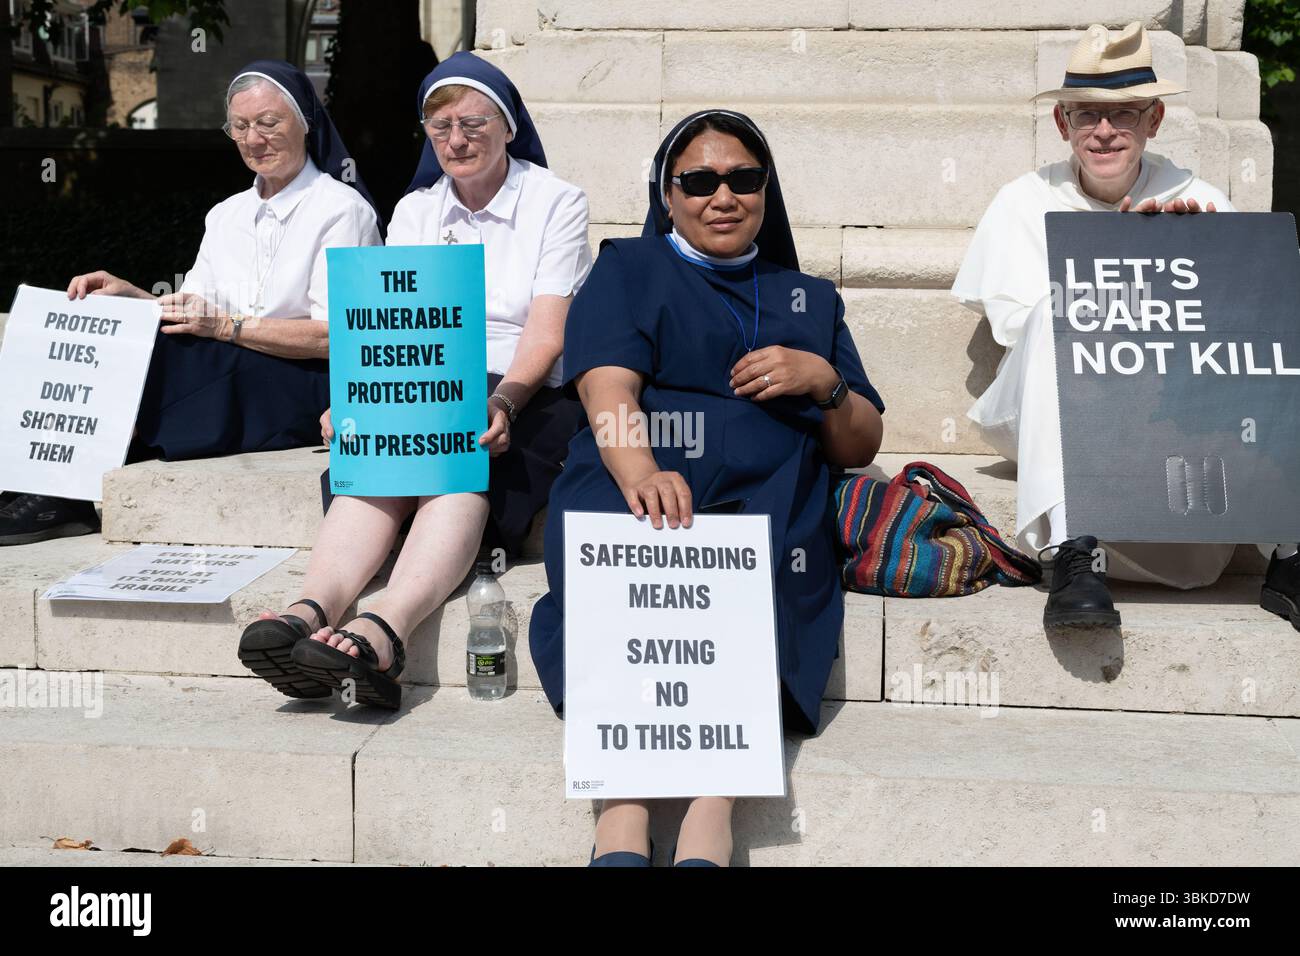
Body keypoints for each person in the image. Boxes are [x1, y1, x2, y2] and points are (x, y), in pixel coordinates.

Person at [529, 110, 885, 866]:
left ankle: (712, 807)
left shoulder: (807, 298)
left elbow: (860, 442)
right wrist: (641, 472)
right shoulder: (627, 266)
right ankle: (620, 809)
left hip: (765, 485)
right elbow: (606, 389)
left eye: (743, 179)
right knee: (614, 529)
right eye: (699, 181)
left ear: (765, 191)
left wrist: (822, 383)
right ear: (668, 194)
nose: (722, 196)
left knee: (771, 547)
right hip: (643, 471)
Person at [238, 52, 592, 709]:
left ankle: (385, 629)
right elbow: (386, 325)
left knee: (460, 460)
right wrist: (354, 399)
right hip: (423, 377)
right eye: (440, 128)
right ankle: (311, 607)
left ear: (509, 126)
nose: (456, 141)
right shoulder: (415, 211)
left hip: (523, 388)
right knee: (378, 454)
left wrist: (504, 400)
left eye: (473, 124)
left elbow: (547, 335)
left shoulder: (556, 202)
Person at [952, 22, 1300, 629]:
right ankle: (1071, 549)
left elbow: (1243, 328)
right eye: (1087, 114)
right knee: (1051, 313)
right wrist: (1133, 270)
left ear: (1154, 120)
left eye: (1124, 114)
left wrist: (1195, 258)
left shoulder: (1199, 199)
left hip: (1172, 416)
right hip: (1050, 408)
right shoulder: (1022, 201)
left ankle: (1291, 552)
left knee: (1272, 321)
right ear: (1064, 125)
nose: (1105, 131)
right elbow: (1024, 333)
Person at [0, 60, 382, 547]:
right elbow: (195, 307)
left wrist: (225, 328)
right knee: (105, 320)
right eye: (240, 126)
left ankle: (62, 495)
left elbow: (338, 337)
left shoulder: (341, 210)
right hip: (232, 364)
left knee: (162, 350)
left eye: (269, 123)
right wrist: (132, 297)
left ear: (305, 121)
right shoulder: (226, 215)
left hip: (302, 382)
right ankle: (42, 476)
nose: (253, 138)